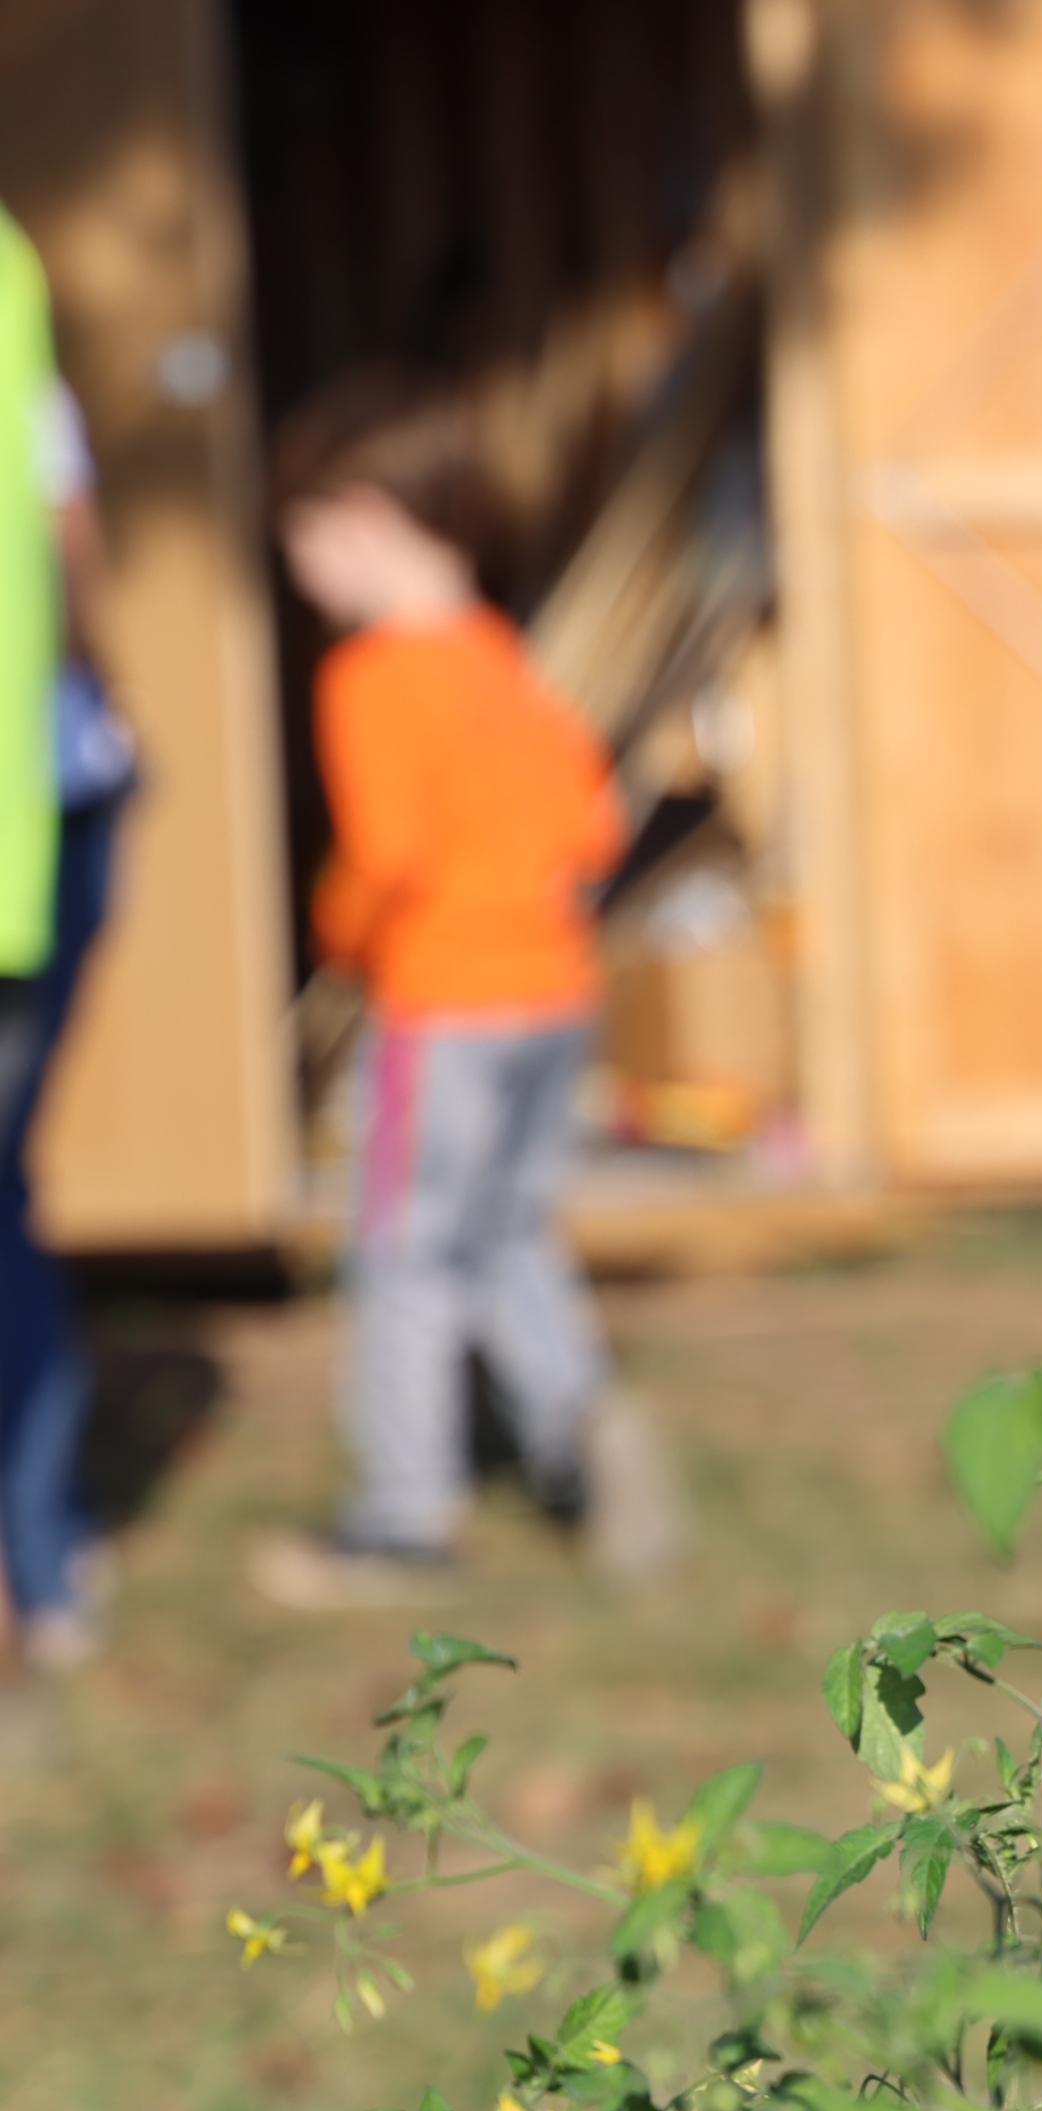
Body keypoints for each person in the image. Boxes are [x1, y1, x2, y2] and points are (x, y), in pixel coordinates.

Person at [248, 370, 627, 1609]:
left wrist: (334, 925)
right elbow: (595, 823)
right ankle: (592, 1443)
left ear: (359, 520)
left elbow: (388, 854)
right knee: (509, 1228)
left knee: (403, 1254)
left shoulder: (366, 679)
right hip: (554, 992)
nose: (304, 581)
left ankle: (405, 1517)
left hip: (442, 1006)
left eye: (302, 546)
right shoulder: (501, 655)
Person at [0, 206, 133, 1680]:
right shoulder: (10, 272)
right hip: (44, 813)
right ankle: (48, 1560)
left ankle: (37, 1567)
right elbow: (66, 521)